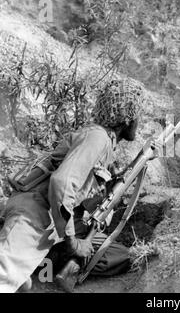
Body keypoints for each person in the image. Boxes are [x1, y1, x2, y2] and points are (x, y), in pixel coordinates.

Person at [0, 79, 145, 293]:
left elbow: (81, 198)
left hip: (50, 221)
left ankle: (32, 269)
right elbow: (62, 182)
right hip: (34, 215)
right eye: (139, 115)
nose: (139, 121)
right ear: (129, 117)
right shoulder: (98, 138)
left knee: (116, 254)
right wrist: (72, 241)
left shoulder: (104, 144)